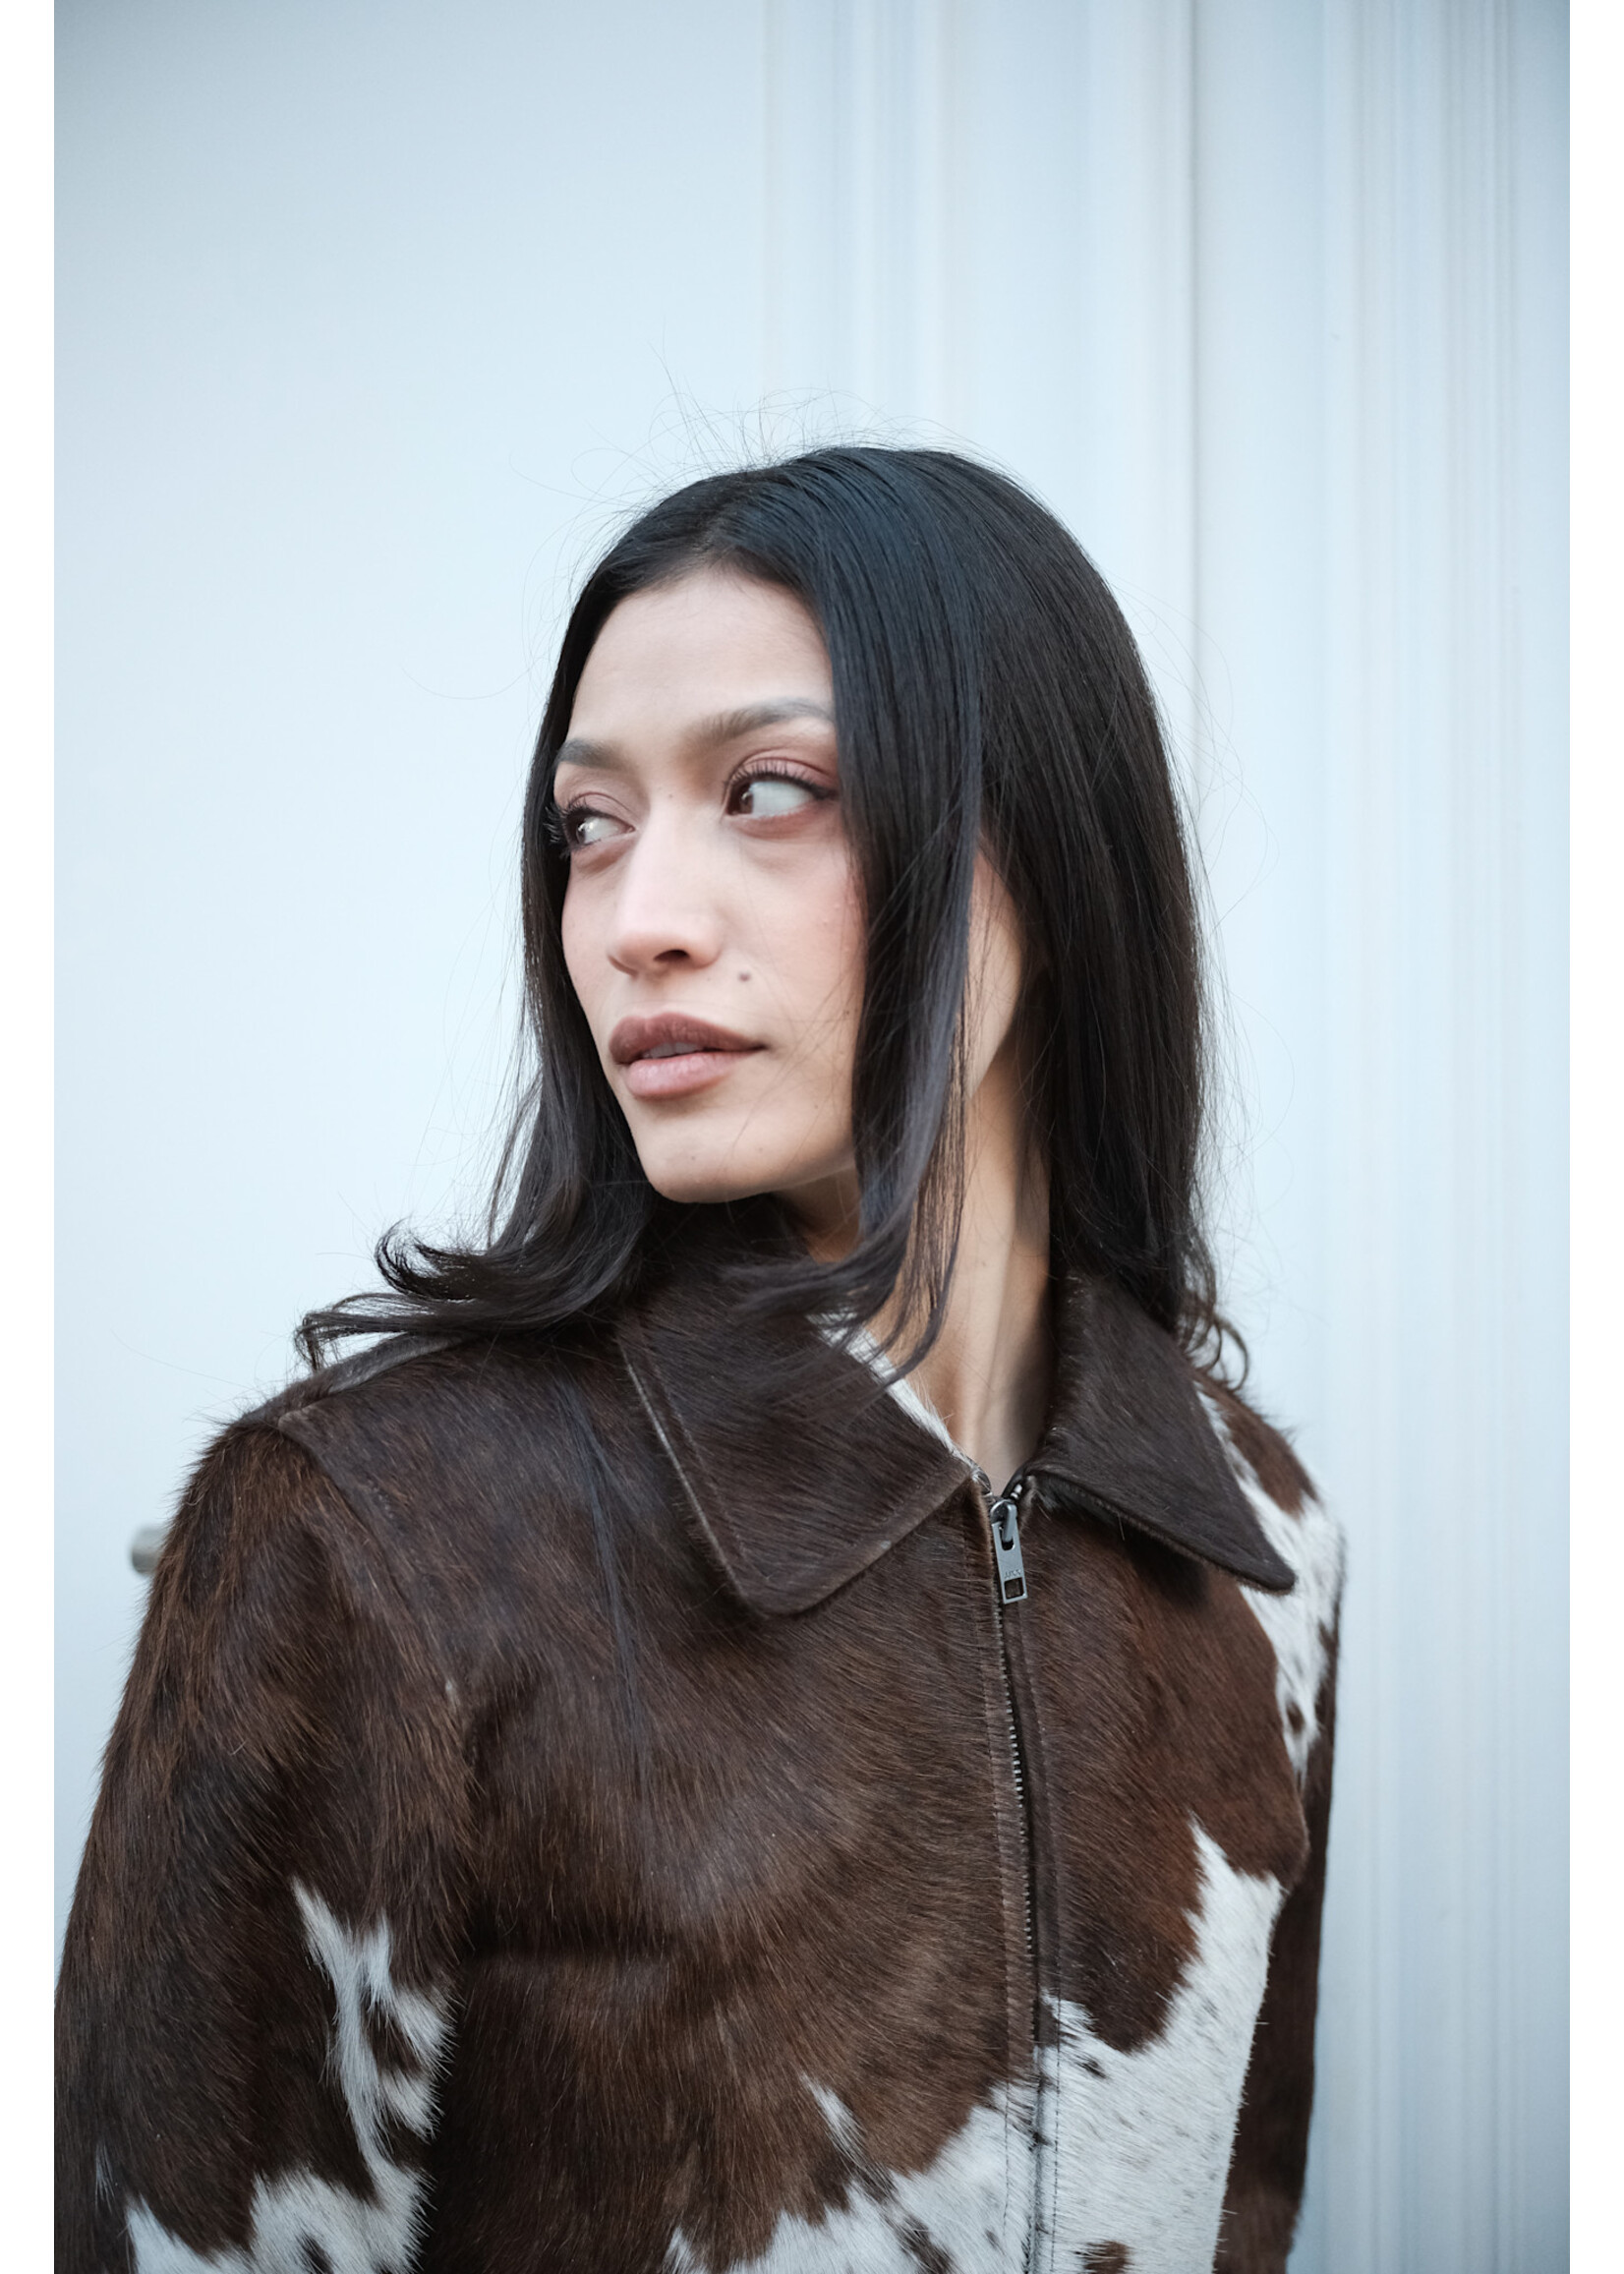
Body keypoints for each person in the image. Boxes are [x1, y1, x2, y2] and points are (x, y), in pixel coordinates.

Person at [55, 447, 1343, 2274]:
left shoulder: (1260, 1544)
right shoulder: (368, 1536)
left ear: (1049, 856)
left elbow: (1241, 2214)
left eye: (769, 791)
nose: (633, 914)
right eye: (589, 823)